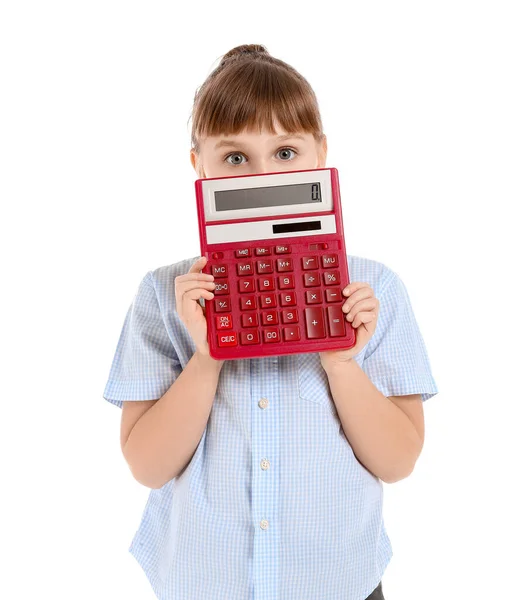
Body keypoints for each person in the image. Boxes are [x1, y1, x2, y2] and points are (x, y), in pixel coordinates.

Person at [103, 44, 439, 600]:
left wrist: (340, 361)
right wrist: (207, 357)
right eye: (235, 158)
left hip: (336, 583)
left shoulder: (377, 292)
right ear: (199, 166)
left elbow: (399, 460)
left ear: (320, 155)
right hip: (203, 583)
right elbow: (147, 465)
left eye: (285, 152)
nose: (261, 177)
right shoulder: (161, 298)